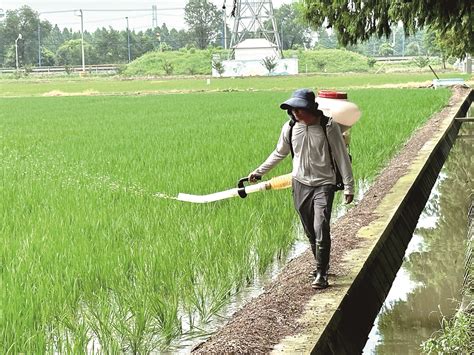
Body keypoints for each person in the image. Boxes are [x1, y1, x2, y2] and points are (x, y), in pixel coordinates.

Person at [248, 88, 354, 289]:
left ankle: (322, 273)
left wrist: (349, 186)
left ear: (310, 109)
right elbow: (279, 153)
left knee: (321, 226)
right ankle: (320, 264)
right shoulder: (289, 128)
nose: (295, 113)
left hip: (324, 183)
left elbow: (341, 157)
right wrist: (259, 172)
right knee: (309, 230)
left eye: (299, 109)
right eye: (292, 110)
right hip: (300, 183)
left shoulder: (328, 127)